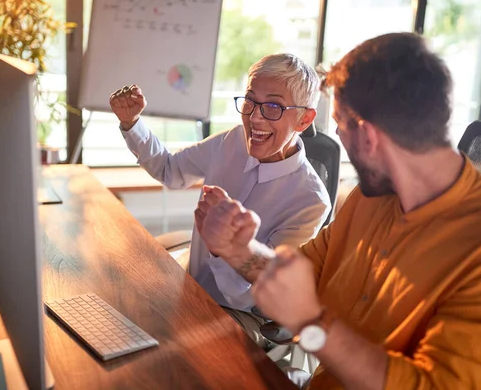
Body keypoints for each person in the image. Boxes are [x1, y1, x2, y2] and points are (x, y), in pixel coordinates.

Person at [196, 32, 481, 389]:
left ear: (368, 136)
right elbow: (300, 273)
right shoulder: (368, 200)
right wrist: (238, 248)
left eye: (340, 126)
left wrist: (310, 324)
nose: (338, 139)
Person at [108, 53, 331, 348]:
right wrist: (131, 123)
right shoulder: (232, 142)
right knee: (119, 306)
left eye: (274, 106)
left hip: (244, 315)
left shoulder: (311, 201)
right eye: (250, 101)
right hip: (190, 286)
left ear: (304, 119)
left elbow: (263, 295)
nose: (254, 117)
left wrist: (226, 245)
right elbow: (171, 171)